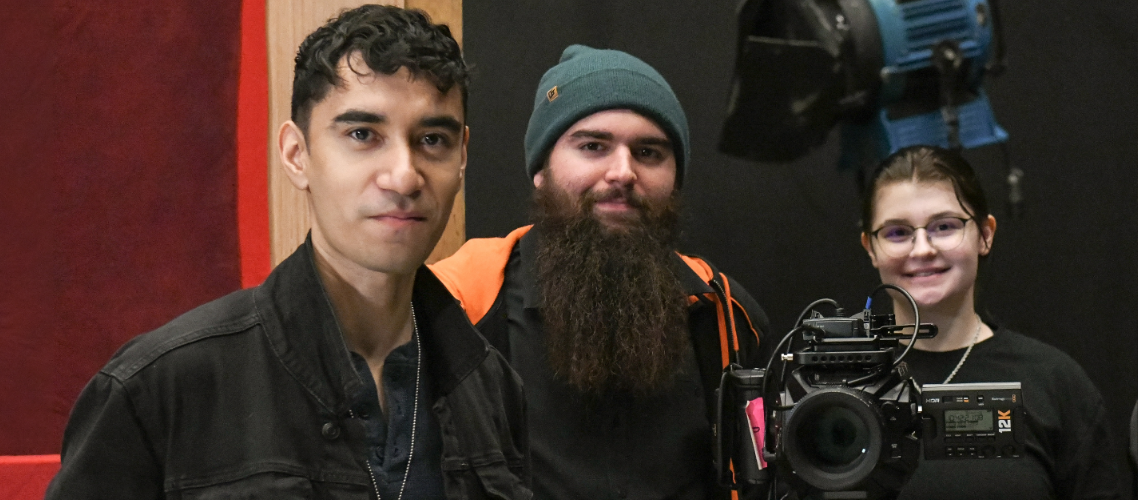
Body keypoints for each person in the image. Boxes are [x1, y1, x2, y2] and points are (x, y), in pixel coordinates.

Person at [45, 6, 529, 499]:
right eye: (362, 135)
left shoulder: (490, 387)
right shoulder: (159, 388)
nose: (404, 175)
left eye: (432, 140)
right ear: (297, 155)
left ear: (462, 157)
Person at [431, 45, 770, 500]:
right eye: (593, 146)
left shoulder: (725, 317)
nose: (623, 172)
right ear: (541, 169)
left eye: (649, 152)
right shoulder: (458, 306)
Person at [858, 145, 1127, 499]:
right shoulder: (830, 385)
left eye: (944, 226)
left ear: (985, 234)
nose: (921, 249)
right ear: (870, 247)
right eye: (897, 232)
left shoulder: (1055, 384)